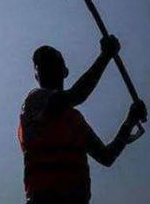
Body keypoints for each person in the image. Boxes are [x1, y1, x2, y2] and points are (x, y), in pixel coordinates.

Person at [18, 35, 147, 204]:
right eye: (40, 66)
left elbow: (106, 156)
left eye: (51, 63)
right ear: (36, 75)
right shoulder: (35, 101)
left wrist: (130, 120)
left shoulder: (74, 120)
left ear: (64, 71)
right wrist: (105, 56)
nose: (45, 68)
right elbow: (76, 95)